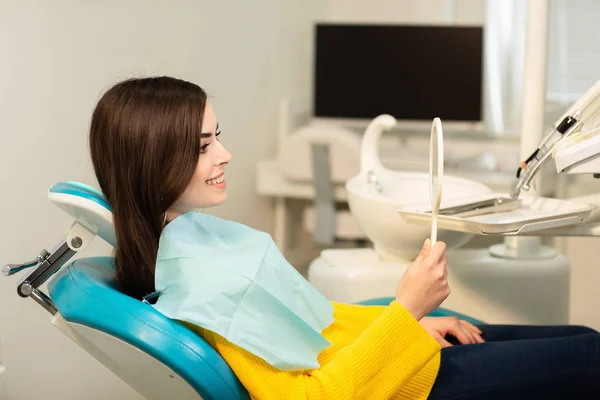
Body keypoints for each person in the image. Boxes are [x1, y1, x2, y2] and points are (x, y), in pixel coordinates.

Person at [88, 76, 600, 399]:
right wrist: (404, 310)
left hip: (396, 356)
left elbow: (319, 322)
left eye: (218, 137)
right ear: (152, 162)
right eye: (203, 147)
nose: (224, 156)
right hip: (403, 386)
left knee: (584, 339)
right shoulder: (205, 297)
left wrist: (414, 320)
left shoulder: (193, 235)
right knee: (590, 358)